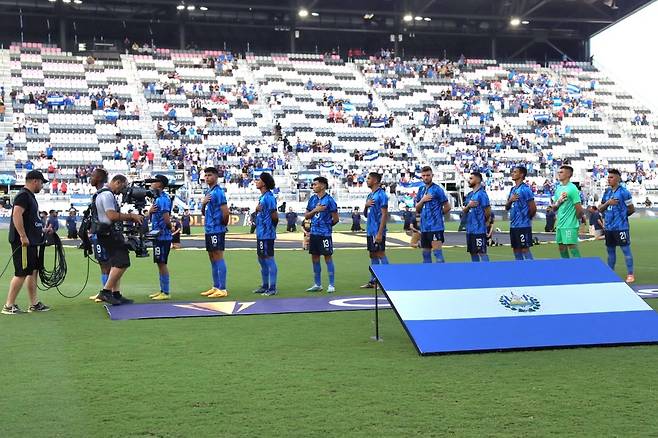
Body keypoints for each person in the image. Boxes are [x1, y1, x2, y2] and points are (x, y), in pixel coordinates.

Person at [3, 170, 51, 314]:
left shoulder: (29, 196)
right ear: (35, 181)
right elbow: (16, 214)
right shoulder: (24, 195)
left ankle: (34, 304)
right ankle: (8, 305)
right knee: (22, 272)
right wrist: (23, 236)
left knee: (32, 271)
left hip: (31, 241)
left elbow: (31, 221)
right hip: (23, 242)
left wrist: (43, 230)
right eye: (42, 182)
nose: (42, 186)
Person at [93, 174, 143, 305]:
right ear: (117, 182)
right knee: (122, 262)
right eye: (123, 186)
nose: (123, 190)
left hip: (105, 232)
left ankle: (116, 294)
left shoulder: (102, 193)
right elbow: (112, 215)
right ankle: (106, 292)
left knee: (116, 263)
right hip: (108, 232)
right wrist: (131, 216)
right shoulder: (108, 195)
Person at [599, 169, 636, 282]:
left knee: (626, 250)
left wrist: (622, 218)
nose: (609, 179)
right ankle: (610, 273)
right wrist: (608, 203)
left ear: (618, 179)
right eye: (608, 177)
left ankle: (630, 274)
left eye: (611, 177)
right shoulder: (607, 192)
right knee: (610, 251)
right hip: (609, 228)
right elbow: (600, 209)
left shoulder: (624, 192)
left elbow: (631, 209)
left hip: (621, 228)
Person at [304, 177, 339, 293]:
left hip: (325, 234)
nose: (313, 186)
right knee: (314, 258)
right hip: (314, 233)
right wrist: (316, 210)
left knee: (327, 257)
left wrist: (326, 227)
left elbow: (336, 219)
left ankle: (331, 284)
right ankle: (317, 284)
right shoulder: (312, 199)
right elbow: (307, 215)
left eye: (315, 184)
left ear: (322, 186)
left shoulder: (329, 200)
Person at [199, 167, 230, 298]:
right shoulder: (208, 192)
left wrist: (222, 226)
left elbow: (226, 212)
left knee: (218, 256)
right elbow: (204, 212)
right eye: (205, 175)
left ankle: (222, 288)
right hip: (209, 229)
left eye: (209, 175)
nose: (207, 177)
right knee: (212, 257)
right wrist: (203, 204)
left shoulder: (218, 192)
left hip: (216, 229)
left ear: (216, 177)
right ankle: (215, 286)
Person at [414, 166, 451, 263]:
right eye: (423, 175)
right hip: (424, 227)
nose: (426, 177)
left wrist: (438, 215)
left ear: (432, 176)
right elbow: (417, 209)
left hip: (436, 227)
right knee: (425, 254)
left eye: (428, 175)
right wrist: (423, 200)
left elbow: (447, 207)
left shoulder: (437, 189)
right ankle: (428, 276)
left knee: (437, 253)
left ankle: (441, 275)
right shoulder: (421, 190)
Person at [147, 175, 173, 301]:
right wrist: (150, 212)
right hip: (159, 235)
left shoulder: (162, 199)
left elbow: (166, 218)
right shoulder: (158, 198)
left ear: (160, 184)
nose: (151, 183)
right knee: (160, 263)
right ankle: (162, 290)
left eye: (154, 181)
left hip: (162, 236)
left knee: (162, 263)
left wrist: (168, 228)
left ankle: (166, 291)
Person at [87, 168, 112, 302]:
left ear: (99, 178)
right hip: (98, 233)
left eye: (92, 176)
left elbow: (109, 215)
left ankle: (107, 292)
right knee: (102, 263)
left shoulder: (105, 194)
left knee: (107, 263)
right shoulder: (98, 193)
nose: (90, 178)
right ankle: (105, 292)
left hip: (104, 234)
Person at [361, 172, 389, 288]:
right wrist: (366, 205)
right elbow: (366, 215)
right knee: (372, 254)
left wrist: (380, 233)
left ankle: (387, 278)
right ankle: (374, 280)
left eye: (369, 178)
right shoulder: (370, 195)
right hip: (370, 230)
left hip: (377, 230)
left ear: (375, 181)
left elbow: (384, 215)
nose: (367, 180)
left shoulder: (381, 195)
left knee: (380, 253)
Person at [253, 173, 279, 296]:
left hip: (267, 234)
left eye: (258, 180)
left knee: (269, 259)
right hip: (261, 233)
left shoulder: (268, 197)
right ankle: (265, 285)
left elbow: (274, 216)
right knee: (261, 258)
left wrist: (270, 229)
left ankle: (272, 287)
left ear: (264, 183)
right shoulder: (263, 197)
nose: (256, 182)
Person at [552, 166, 584, 258]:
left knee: (572, 246)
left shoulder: (572, 188)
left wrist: (574, 219)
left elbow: (579, 209)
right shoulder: (558, 188)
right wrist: (558, 202)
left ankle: (580, 269)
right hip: (560, 224)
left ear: (569, 174)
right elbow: (554, 208)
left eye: (561, 172)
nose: (559, 173)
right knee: (561, 247)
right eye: (559, 172)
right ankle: (566, 268)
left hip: (570, 224)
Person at [505, 166, 536, 260]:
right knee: (516, 249)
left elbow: (533, 208)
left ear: (521, 174)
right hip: (513, 225)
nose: (512, 173)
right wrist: (510, 200)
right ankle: (520, 270)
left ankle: (532, 270)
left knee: (525, 249)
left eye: (515, 172)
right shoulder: (512, 189)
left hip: (523, 225)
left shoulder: (525, 189)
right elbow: (507, 207)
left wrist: (526, 219)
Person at [463, 172, 491, 262]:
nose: (469, 180)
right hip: (470, 229)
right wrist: (468, 206)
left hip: (478, 229)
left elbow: (487, 211)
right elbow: (465, 211)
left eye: (471, 178)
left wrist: (484, 223)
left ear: (478, 180)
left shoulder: (482, 194)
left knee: (481, 252)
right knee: (473, 252)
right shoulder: (470, 195)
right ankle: (476, 272)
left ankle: (487, 271)